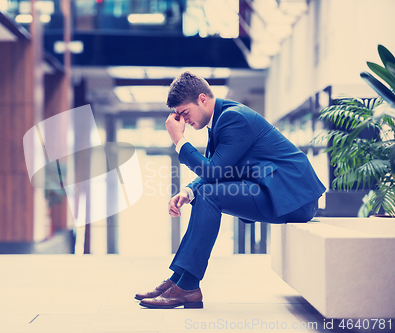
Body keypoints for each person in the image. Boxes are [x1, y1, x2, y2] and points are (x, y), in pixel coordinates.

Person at [136, 72, 326, 309]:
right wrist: (189, 190)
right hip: (271, 189)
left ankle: (187, 287)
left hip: (293, 198)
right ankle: (179, 281)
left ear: (202, 99)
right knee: (204, 194)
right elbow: (220, 169)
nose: (183, 121)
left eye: (185, 113)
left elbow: (214, 172)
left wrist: (180, 141)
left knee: (209, 196)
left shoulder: (234, 118)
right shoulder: (221, 120)